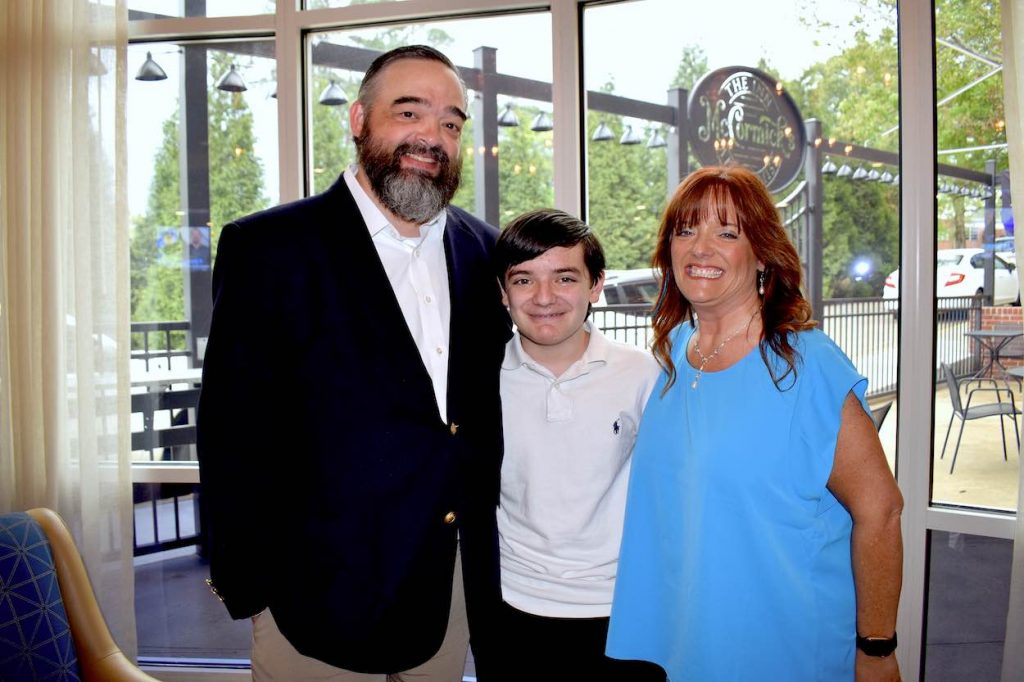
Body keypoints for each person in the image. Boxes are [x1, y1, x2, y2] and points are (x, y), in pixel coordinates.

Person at [196, 45, 511, 681]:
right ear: (359, 119)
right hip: (314, 602)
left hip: (445, 598)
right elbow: (233, 431)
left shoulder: (483, 251)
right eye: (409, 112)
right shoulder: (268, 249)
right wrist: (251, 590)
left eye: (451, 123)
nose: (433, 136)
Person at [606, 166, 904, 682]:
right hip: (688, 640)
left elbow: (881, 513)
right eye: (686, 230)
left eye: (726, 232)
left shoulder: (805, 364)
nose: (701, 248)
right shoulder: (674, 353)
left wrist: (877, 651)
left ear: (762, 253)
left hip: (785, 644)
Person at [489, 209, 665, 681]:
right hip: (511, 606)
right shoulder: (480, 380)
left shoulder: (642, 373)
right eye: (523, 280)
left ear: (595, 285)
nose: (544, 297)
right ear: (502, 293)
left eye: (565, 277)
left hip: (623, 609)